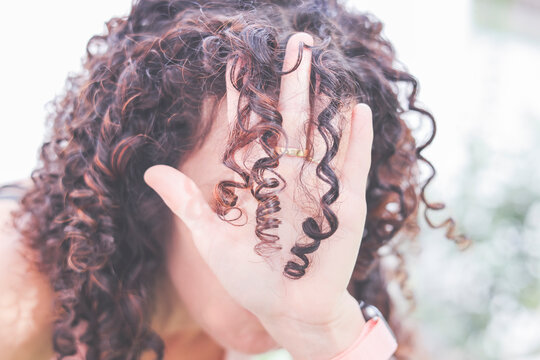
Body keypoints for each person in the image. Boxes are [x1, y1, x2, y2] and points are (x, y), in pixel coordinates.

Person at [0, 0, 469, 359]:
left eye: (316, 208)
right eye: (239, 202)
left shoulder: (202, 320)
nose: (278, 251)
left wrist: (328, 333)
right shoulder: (18, 294)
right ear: (146, 182)